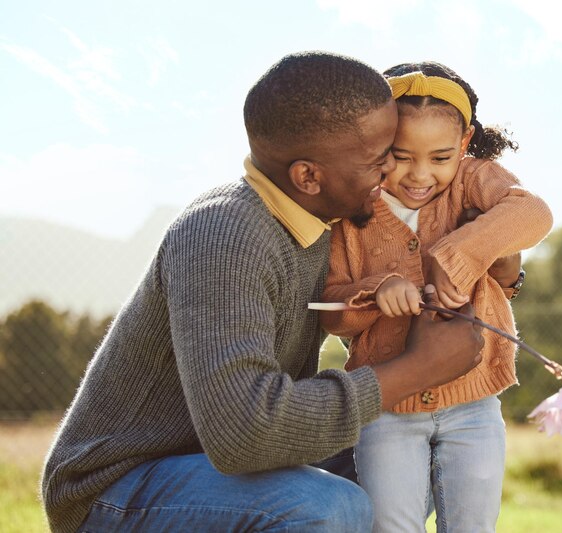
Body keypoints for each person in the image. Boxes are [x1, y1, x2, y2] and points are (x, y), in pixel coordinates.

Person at [40, 51, 488, 533]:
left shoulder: (319, 223)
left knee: (397, 469)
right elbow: (245, 434)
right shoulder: (224, 235)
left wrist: (498, 264)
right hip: (117, 487)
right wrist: (414, 370)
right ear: (309, 176)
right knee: (328, 507)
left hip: (218, 467)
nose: (391, 175)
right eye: (381, 160)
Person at [321, 60, 553, 532]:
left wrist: (459, 252)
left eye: (440, 158)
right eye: (400, 156)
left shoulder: (474, 180)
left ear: (465, 144)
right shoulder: (353, 214)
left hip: (475, 405)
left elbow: (534, 213)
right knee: (390, 523)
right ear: (377, 142)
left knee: (473, 523)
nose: (419, 175)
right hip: (387, 408)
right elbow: (333, 314)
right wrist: (375, 291)